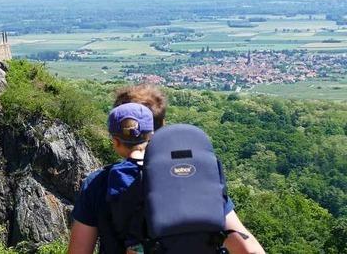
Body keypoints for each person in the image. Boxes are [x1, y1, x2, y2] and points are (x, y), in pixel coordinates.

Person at [68, 84, 265, 254]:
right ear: (160, 130)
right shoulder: (196, 176)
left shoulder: (98, 183)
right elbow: (249, 249)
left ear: (115, 139)